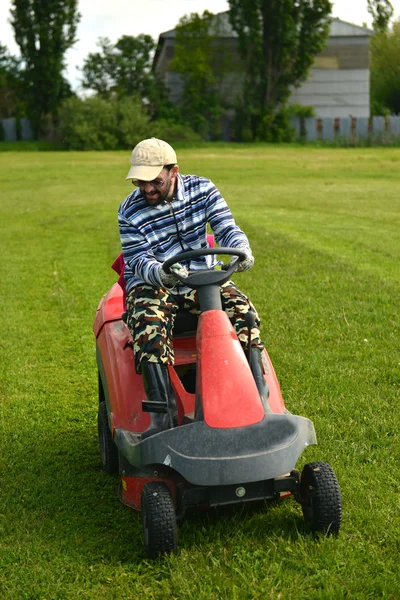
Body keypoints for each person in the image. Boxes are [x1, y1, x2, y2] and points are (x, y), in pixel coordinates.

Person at [118, 137, 266, 438]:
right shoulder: (129, 211)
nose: (147, 189)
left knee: (245, 313)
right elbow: (137, 259)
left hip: (202, 277)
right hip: (154, 282)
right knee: (148, 322)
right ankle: (163, 416)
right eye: (140, 182)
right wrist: (162, 274)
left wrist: (241, 249)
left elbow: (226, 227)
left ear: (174, 171)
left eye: (155, 181)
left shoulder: (203, 189)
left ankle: (259, 401)